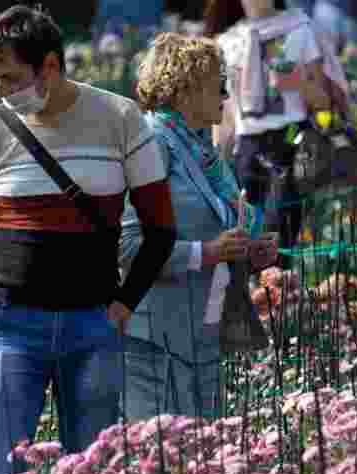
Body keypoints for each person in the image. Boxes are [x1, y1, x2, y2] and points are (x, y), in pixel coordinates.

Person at [0, 4, 177, 474]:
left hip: (93, 323)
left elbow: (161, 228)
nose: (1, 92)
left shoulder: (120, 119)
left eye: (10, 78)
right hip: (10, 323)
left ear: (50, 65)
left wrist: (124, 303)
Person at [120, 33, 278, 421]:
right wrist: (208, 253)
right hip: (156, 338)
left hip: (203, 334)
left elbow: (218, 226)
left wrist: (248, 251)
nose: (226, 96)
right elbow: (125, 246)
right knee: (162, 464)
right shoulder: (151, 144)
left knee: (203, 466)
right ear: (186, 90)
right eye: (218, 85)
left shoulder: (202, 152)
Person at [206, 0, 349, 268]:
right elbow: (223, 116)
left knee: (281, 233)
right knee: (244, 235)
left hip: (290, 138)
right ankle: (254, 298)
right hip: (247, 145)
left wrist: (297, 82)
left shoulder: (300, 29)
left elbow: (322, 100)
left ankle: (279, 296)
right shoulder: (228, 41)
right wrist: (215, 163)